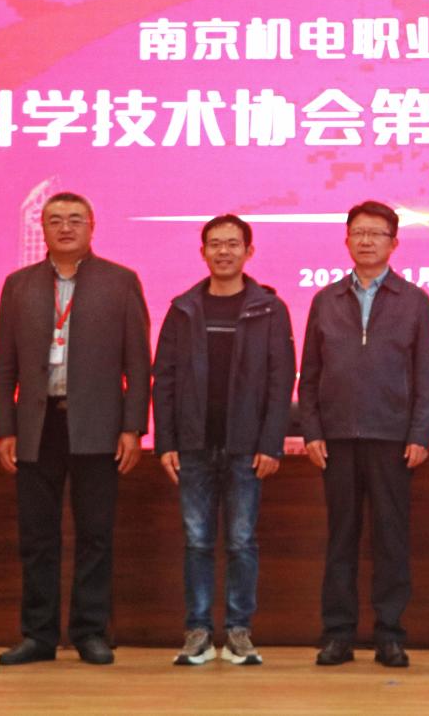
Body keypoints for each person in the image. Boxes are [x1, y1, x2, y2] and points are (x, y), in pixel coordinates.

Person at [0, 192, 151, 665]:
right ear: (42, 228)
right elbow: (3, 365)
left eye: (75, 219)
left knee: (95, 535)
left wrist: (132, 428)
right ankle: (38, 635)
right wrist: (5, 428)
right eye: (55, 220)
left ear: (91, 226)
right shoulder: (19, 285)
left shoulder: (120, 282)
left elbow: (138, 364)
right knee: (37, 537)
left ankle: (89, 632)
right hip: (36, 426)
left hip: (98, 425)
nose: (65, 227)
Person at [298, 200, 429, 668]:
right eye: (358, 232)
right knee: (340, 539)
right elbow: (309, 374)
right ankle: (337, 634)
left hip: (393, 439)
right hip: (336, 439)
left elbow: (428, 375)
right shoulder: (326, 300)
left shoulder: (414, 300)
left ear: (394, 243)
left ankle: (389, 635)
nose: (366, 241)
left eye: (376, 234)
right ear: (346, 240)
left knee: (390, 540)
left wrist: (420, 433)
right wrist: (312, 430)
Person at [153, 214, 295, 667]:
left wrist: (271, 443)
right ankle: (197, 632)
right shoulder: (183, 308)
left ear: (248, 252)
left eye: (233, 244)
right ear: (203, 252)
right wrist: (166, 441)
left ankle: (238, 632)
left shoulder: (269, 309)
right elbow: (164, 378)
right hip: (193, 445)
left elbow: (280, 381)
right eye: (215, 244)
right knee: (197, 541)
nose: (224, 251)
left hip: (245, 447)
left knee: (241, 541)